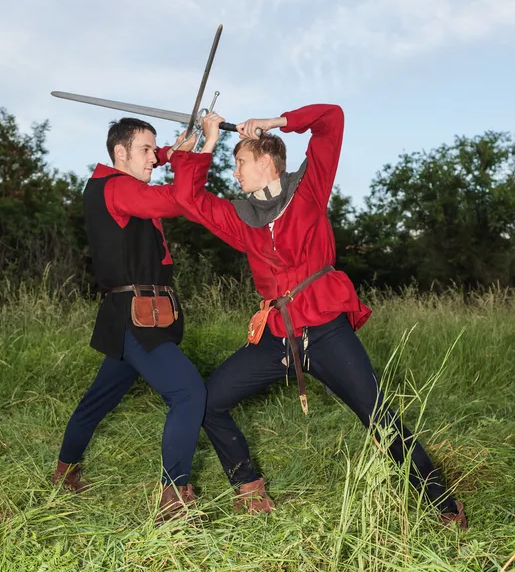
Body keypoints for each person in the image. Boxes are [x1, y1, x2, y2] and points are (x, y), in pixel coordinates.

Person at [169, 105, 467, 528]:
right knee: (207, 401)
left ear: (267, 162)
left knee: (377, 417)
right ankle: (249, 489)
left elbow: (332, 119)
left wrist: (274, 122)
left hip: (326, 329)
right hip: (277, 337)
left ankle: (442, 503)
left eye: (239, 163)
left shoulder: (309, 188)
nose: (234, 172)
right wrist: (206, 143)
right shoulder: (241, 219)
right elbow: (187, 199)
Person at [52, 118, 208, 521]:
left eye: (155, 151)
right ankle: (174, 499)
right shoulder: (118, 187)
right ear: (120, 153)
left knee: (98, 399)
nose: (153, 158)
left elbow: (165, 185)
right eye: (145, 150)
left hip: (136, 314)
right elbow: (179, 200)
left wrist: (176, 151)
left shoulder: (117, 185)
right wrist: (196, 153)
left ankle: (64, 474)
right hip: (136, 317)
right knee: (189, 393)